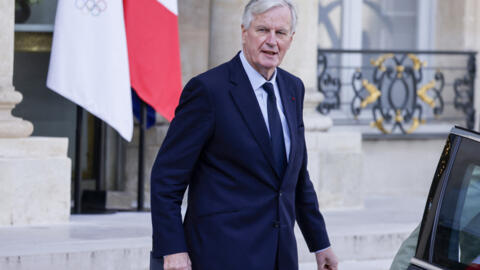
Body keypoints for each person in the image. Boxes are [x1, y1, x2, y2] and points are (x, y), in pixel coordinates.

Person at [150, 1, 338, 269]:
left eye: (281, 33)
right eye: (263, 30)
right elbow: (166, 178)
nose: (272, 41)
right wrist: (173, 248)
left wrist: (320, 243)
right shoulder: (208, 91)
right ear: (244, 32)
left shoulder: (293, 88)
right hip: (221, 254)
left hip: (280, 256)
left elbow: (296, 179)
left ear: (291, 39)